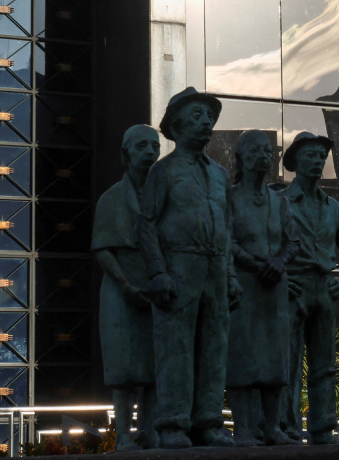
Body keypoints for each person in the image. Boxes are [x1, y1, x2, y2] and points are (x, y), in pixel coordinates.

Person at [138, 87, 242, 448]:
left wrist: (229, 276)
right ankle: (173, 425)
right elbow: (146, 224)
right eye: (197, 116)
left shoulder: (218, 175)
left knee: (214, 347)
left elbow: (227, 227)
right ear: (177, 125)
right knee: (176, 347)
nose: (206, 123)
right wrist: (158, 273)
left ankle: (209, 423)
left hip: (214, 265)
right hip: (179, 264)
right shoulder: (162, 171)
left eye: (209, 118)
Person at [280, 132, 339, 445]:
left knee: (325, 364)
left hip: (324, 288)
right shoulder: (280, 201)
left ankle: (323, 428)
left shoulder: (332, 207)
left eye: (321, 157)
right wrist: (282, 278)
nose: (317, 161)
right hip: (292, 287)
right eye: (310, 155)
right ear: (296, 161)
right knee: (288, 361)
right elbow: (266, 246)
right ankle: (285, 427)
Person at [225, 130, 300, 447]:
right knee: (242, 354)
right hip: (244, 284)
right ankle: (242, 428)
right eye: (255, 151)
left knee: (275, 357)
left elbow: (292, 241)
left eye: (267, 151)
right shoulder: (229, 198)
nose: (263, 156)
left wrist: (280, 261)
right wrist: (255, 264)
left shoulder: (280, 202)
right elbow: (225, 240)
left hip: (275, 289)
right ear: (241, 157)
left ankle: (272, 426)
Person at [92, 125, 161, 451]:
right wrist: (127, 285)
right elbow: (103, 250)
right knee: (124, 369)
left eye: (154, 146)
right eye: (142, 147)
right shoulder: (112, 198)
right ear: (126, 154)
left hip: (156, 292)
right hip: (121, 292)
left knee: (154, 367)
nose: (149, 152)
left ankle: (151, 430)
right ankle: (123, 436)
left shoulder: (164, 197)